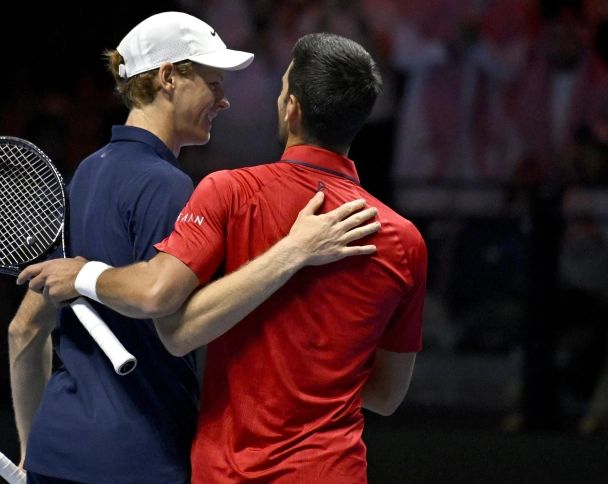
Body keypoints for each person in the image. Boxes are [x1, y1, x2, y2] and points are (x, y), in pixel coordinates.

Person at [21, 32, 427, 483]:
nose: (226, 100)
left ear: (291, 108)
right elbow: (387, 395)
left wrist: (84, 275)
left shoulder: (228, 191)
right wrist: (320, 379)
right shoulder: (405, 240)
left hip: (224, 471)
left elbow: (174, 329)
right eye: (214, 84)